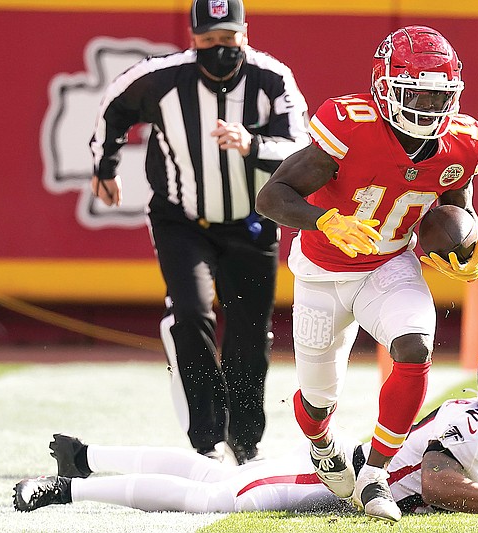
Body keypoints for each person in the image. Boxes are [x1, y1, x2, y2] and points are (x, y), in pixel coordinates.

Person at [253, 25, 478, 522]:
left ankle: (375, 472)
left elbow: (457, 208)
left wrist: (463, 248)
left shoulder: (463, 142)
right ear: (385, 84)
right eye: (416, 93)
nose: (427, 106)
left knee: (414, 346)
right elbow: (271, 197)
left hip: (388, 261)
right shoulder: (350, 124)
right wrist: (324, 220)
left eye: (437, 95)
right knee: (317, 402)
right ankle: (322, 446)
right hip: (322, 269)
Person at [13, 332, 478, 520]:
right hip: (333, 480)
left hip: (345, 470)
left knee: (219, 478)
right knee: (218, 499)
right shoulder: (473, 421)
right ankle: (71, 487)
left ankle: (84, 455)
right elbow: (437, 483)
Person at [88, 0, 310, 465]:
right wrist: (105, 167)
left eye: (228, 39)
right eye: (209, 41)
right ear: (192, 39)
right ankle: (207, 441)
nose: (219, 50)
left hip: (251, 222)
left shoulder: (273, 79)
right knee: (190, 314)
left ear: (245, 33)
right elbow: (114, 107)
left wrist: (253, 145)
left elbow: (301, 148)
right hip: (181, 218)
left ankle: (245, 443)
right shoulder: (162, 79)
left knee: (249, 334)